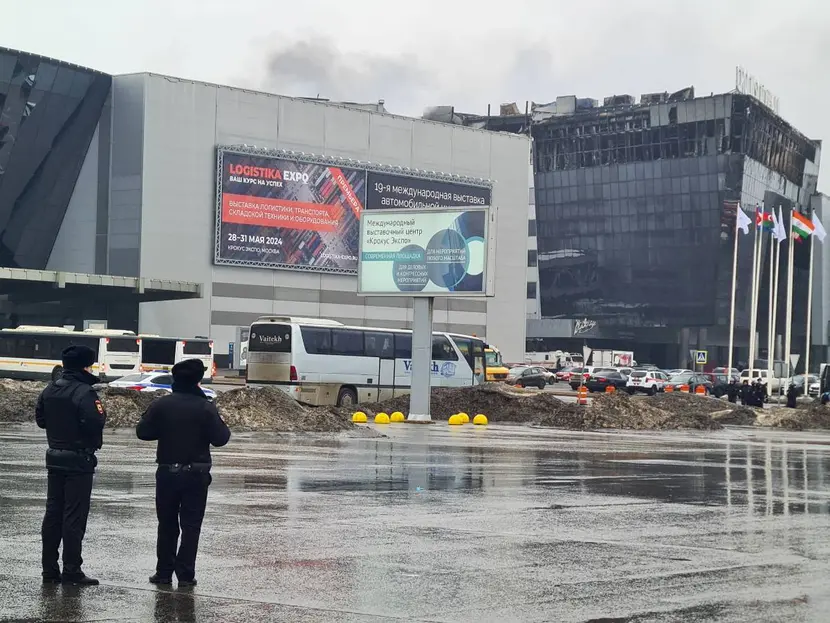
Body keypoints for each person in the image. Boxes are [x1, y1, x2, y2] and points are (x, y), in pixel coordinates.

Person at [136, 359, 230, 587]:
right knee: (191, 525)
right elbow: (221, 439)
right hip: (196, 475)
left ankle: (164, 572)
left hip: (168, 473)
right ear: (198, 381)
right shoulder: (206, 407)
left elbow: (142, 432)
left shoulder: (162, 405)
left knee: (167, 524)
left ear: (175, 380)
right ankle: (186, 575)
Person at [35, 345, 106, 586]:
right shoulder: (85, 392)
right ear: (86, 365)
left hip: (54, 457)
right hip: (79, 459)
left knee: (53, 514)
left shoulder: (50, 388)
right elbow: (94, 423)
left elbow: (41, 420)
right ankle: (72, 569)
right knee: (74, 516)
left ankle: (49, 569)